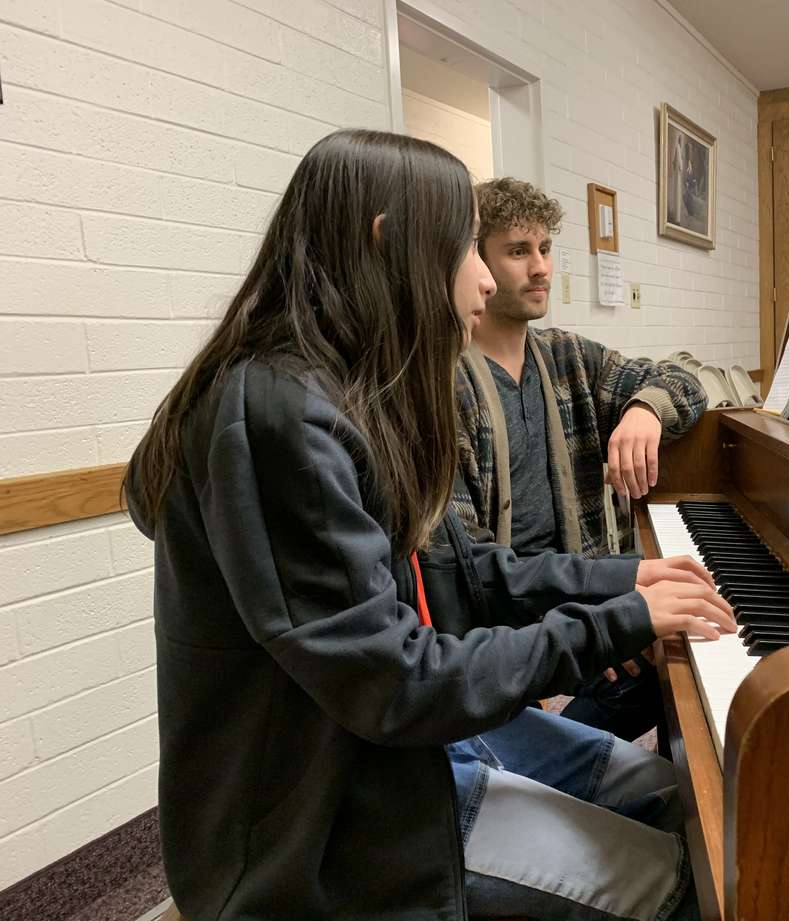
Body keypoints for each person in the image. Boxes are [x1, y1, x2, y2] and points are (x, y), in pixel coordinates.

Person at [123, 129, 734, 921]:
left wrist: (627, 581)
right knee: (684, 880)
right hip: (338, 817)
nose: (485, 279)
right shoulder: (279, 418)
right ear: (390, 241)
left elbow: (468, 571)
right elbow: (397, 682)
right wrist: (611, 623)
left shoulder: (356, 392)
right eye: (469, 250)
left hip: (400, 750)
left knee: (669, 794)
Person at [452, 177, 708, 742]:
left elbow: (688, 382)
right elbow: (469, 570)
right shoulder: (449, 385)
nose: (541, 267)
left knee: (686, 654)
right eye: (518, 251)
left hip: (590, 608)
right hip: (514, 643)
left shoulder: (569, 357)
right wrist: (597, 625)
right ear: (481, 263)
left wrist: (645, 409)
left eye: (545, 248)